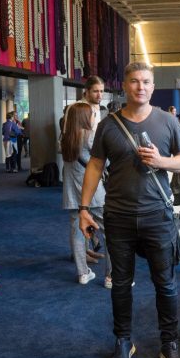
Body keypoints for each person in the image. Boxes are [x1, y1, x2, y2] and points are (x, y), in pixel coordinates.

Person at [78, 62, 180, 358]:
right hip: (118, 217)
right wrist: (84, 208)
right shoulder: (109, 124)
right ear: (125, 86)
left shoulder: (167, 121)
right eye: (134, 81)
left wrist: (162, 161)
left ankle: (169, 343)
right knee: (120, 284)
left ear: (153, 87)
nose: (140, 86)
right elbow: (95, 165)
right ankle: (123, 339)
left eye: (145, 81)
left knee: (166, 285)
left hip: (158, 216)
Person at [61, 102, 112, 287]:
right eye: (92, 114)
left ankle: (82, 273)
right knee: (110, 232)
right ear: (85, 117)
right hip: (93, 193)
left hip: (72, 194)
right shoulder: (90, 135)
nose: (93, 117)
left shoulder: (65, 138)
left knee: (78, 233)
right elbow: (102, 163)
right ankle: (110, 276)